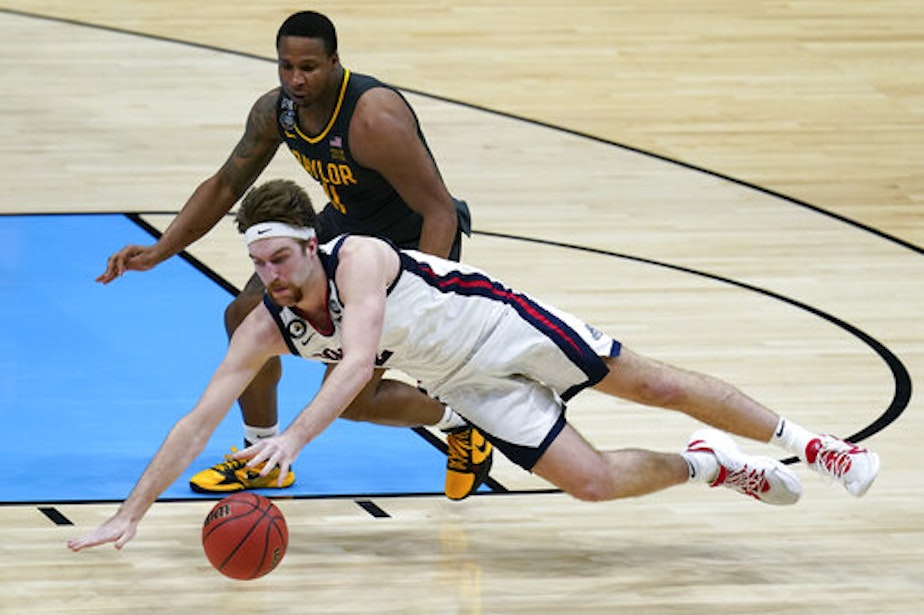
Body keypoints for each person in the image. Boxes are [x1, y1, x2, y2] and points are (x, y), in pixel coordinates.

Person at [68, 179, 881, 553]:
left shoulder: (361, 258)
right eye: (263, 265)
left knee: (658, 384)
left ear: (310, 244)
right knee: (591, 481)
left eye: (282, 258)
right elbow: (198, 418)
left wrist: (295, 443)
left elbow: (354, 366)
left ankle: (818, 445)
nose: (273, 277)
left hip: (502, 328)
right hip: (464, 382)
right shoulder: (266, 323)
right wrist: (133, 509)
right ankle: (710, 464)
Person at [94, 11, 492, 500]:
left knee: (352, 399)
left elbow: (439, 211)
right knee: (244, 318)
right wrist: (160, 250)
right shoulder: (277, 111)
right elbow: (225, 184)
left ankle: (462, 424)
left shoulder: (373, 118)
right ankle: (262, 456)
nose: (297, 79)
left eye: (310, 67)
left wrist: (419, 295)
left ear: (335, 62)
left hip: (401, 250)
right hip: (339, 230)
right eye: (286, 67)